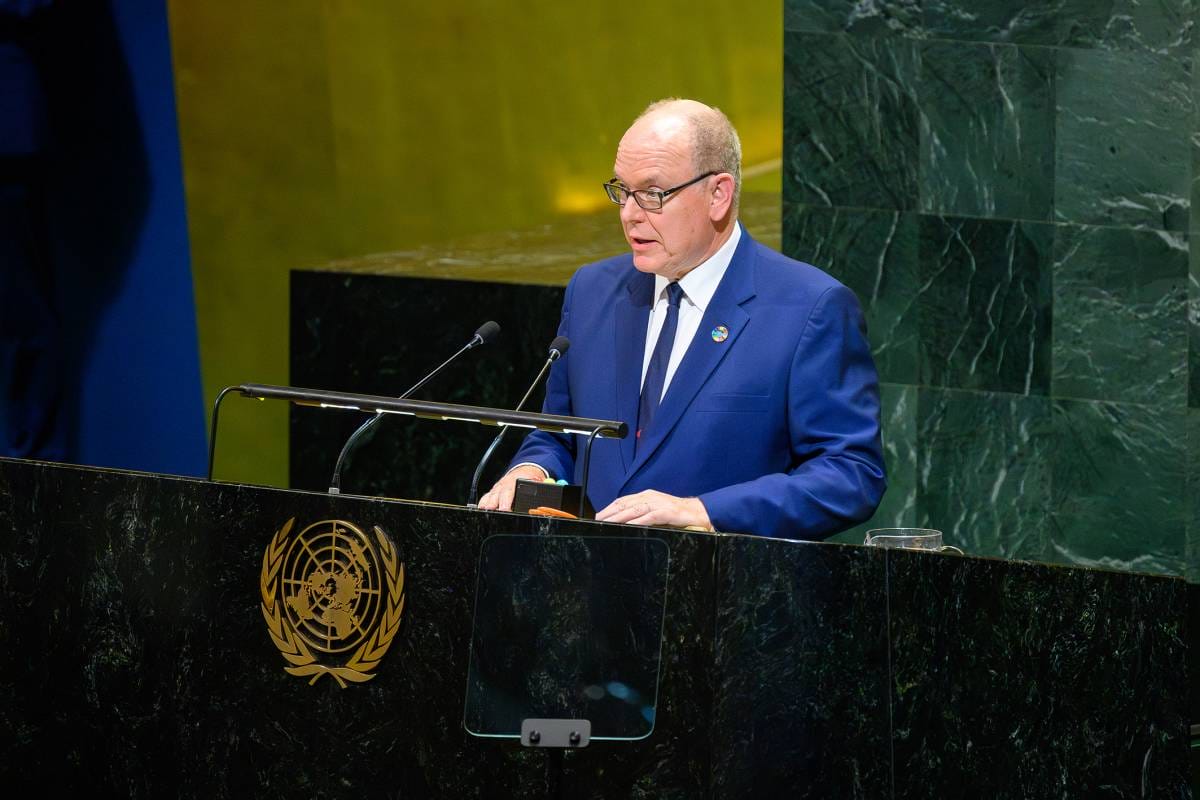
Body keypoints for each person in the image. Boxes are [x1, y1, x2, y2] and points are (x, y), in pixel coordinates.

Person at [478, 98, 885, 539]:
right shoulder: (592, 291)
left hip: (723, 591)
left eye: (653, 194)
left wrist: (702, 511)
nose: (630, 213)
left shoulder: (810, 307)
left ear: (718, 194)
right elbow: (560, 434)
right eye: (622, 190)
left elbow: (850, 474)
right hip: (587, 587)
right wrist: (532, 470)